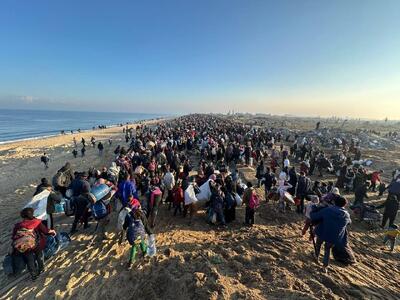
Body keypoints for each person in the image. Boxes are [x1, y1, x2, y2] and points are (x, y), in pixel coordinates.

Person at [12, 208, 56, 280]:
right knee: (39, 256)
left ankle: (33, 275)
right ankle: (41, 269)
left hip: (24, 246)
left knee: (30, 260)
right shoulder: (37, 222)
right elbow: (45, 231)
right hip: (37, 244)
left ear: (23, 216)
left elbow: (14, 237)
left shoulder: (18, 225)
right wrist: (52, 231)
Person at [310, 196, 351, 273]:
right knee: (327, 250)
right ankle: (325, 266)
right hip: (335, 237)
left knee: (318, 244)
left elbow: (314, 216)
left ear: (334, 202)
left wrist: (313, 209)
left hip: (323, 231)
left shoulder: (328, 210)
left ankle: (316, 256)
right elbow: (349, 222)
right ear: (344, 205)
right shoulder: (346, 214)